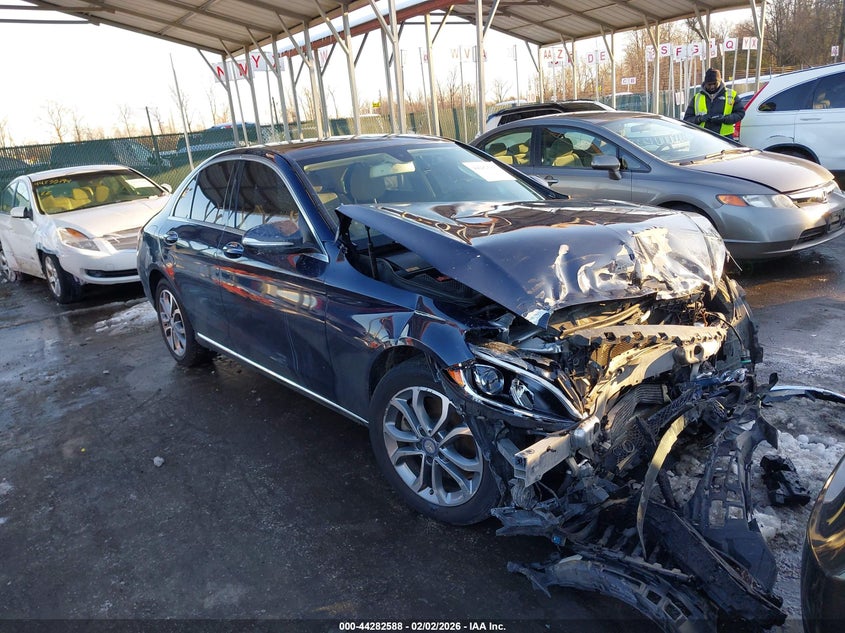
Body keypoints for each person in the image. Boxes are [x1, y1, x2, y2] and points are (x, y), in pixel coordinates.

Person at [683, 68, 745, 136]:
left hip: (725, 137)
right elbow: (687, 119)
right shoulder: (697, 98)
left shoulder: (731, 95)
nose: (712, 87)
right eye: (709, 84)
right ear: (705, 83)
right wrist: (699, 119)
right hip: (702, 137)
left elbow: (740, 113)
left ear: (720, 81)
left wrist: (724, 119)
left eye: (715, 84)